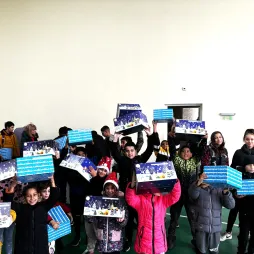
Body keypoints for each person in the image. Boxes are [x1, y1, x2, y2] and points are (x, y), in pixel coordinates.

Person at [111, 122, 159, 252]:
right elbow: (114, 152)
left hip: (140, 195)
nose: (130, 153)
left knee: (141, 219)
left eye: (132, 150)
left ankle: (142, 239)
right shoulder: (122, 160)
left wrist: (150, 134)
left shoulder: (141, 158)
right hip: (126, 194)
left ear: (136, 151)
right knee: (127, 220)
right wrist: (115, 138)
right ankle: (127, 241)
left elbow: (150, 149)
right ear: (124, 152)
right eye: (127, 151)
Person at [125, 170, 181, 254]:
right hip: (144, 242)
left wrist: (175, 180)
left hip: (159, 241)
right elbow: (130, 199)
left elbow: (175, 196)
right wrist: (132, 185)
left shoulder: (162, 199)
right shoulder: (141, 199)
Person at [167, 139, 207, 250]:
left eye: (188, 151)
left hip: (190, 195)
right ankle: (170, 239)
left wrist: (204, 139)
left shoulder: (195, 161)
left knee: (192, 219)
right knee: (174, 218)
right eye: (183, 151)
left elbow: (201, 152)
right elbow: (172, 151)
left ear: (191, 153)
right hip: (177, 194)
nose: (186, 153)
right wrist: (172, 138)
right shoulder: (176, 160)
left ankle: (196, 240)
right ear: (180, 153)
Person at [4, 176, 59, 254]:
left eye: (34, 195)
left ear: (39, 195)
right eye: (28, 196)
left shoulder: (43, 207)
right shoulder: (20, 208)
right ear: (25, 197)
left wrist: (52, 181)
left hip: (40, 246)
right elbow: (8, 202)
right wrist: (13, 185)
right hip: (23, 247)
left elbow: (54, 197)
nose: (32, 198)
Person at [188, 173, 235, 254]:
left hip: (215, 228)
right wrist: (198, 184)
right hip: (201, 227)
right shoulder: (197, 186)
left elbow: (231, 205)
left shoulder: (220, 189)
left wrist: (226, 193)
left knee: (214, 250)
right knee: (200, 249)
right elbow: (192, 195)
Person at [221, 129, 254, 242]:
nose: (250, 141)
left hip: (252, 190)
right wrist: (244, 169)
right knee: (234, 209)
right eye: (247, 139)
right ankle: (228, 231)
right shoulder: (238, 153)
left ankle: (246, 232)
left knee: (249, 213)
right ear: (244, 139)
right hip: (239, 186)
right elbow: (232, 168)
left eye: (252, 139)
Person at [92, 172, 128, 254]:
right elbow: (93, 219)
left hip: (115, 242)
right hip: (102, 240)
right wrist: (90, 215)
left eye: (112, 188)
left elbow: (124, 221)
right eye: (107, 188)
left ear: (116, 189)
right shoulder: (99, 201)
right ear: (104, 189)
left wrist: (122, 220)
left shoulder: (121, 202)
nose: (110, 191)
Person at [83, 157, 111, 254]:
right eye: (100, 169)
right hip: (89, 209)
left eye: (104, 170)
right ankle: (90, 249)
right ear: (97, 168)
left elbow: (103, 191)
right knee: (89, 231)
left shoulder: (106, 182)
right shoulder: (91, 177)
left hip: (100, 213)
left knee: (99, 233)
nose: (102, 172)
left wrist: (95, 178)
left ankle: (100, 250)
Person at [39, 181, 73, 254]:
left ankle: (59, 247)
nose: (47, 193)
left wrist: (68, 211)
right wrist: (51, 221)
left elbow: (60, 204)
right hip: (44, 228)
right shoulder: (39, 203)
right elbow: (41, 212)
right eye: (44, 191)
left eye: (48, 191)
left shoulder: (52, 200)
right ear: (40, 192)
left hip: (53, 227)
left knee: (54, 241)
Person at [236, 156, 254, 254]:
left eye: (253, 165)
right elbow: (235, 193)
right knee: (243, 234)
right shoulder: (240, 177)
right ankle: (241, 251)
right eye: (249, 165)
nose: (251, 167)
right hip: (244, 211)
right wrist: (237, 195)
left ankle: (251, 251)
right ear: (244, 166)